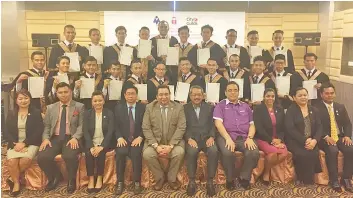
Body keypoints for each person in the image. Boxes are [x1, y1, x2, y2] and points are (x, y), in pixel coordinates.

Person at [37, 82, 85, 194]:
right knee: (42, 157)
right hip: (55, 137)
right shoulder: (51, 108)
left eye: (66, 92)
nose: (63, 95)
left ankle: (71, 180)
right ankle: (55, 176)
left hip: (71, 137)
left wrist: (76, 138)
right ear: (57, 94)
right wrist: (45, 138)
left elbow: (82, 125)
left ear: (70, 92)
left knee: (70, 156)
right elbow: (47, 126)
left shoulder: (79, 106)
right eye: (60, 92)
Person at [213, 81, 259, 190]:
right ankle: (230, 179)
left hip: (244, 137)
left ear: (239, 92)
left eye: (235, 90)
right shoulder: (220, 105)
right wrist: (228, 139)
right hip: (226, 136)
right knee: (228, 153)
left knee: (253, 151)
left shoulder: (246, 106)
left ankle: (244, 177)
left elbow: (252, 125)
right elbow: (218, 124)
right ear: (225, 92)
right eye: (230, 90)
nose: (232, 93)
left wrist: (250, 138)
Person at [142, 85, 186, 191]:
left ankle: (171, 178)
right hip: (155, 143)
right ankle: (160, 177)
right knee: (147, 154)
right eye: (161, 94)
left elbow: (181, 127)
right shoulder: (149, 107)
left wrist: (171, 146)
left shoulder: (178, 107)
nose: (163, 97)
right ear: (156, 96)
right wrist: (156, 146)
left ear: (170, 95)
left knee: (179, 152)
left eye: (166, 94)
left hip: (173, 142)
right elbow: (146, 128)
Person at [4, 89, 43, 196]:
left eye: (26, 98)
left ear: (30, 99)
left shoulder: (35, 112)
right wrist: (15, 144)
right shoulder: (11, 113)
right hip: (14, 143)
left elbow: (39, 131)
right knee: (12, 162)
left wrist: (25, 143)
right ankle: (16, 183)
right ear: (16, 101)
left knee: (24, 161)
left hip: (31, 143)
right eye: (20, 98)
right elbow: (6, 131)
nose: (23, 101)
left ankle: (12, 178)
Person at [315, 83, 353, 193]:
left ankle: (346, 179)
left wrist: (347, 135)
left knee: (350, 149)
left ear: (335, 94)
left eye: (332, 93)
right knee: (333, 150)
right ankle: (334, 180)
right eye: (326, 93)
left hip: (339, 136)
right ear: (321, 94)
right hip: (324, 137)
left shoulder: (340, 106)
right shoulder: (316, 108)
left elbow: (347, 124)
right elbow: (316, 126)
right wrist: (325, 136)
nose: (329, 95)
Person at [184, 85, 218, 196]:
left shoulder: (210, 107)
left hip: (207, 138)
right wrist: (188, 138)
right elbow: (182, 126)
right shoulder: (184, 108)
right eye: (194, 94)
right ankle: (192, 181)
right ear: (190, 96)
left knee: (213, 151)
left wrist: (212, 137)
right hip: (192, 139)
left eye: (199, 94)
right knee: (191, 152)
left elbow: (213, 125)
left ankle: (210, 181)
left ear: (203, 96)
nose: (197, 97)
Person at [285, 87, 322, 185]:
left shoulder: (314, 110)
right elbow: (290, 129)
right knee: (302, 153)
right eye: (300, 95)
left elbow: (319, 127)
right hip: (295, 140)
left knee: (313, 152)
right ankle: (301, 177)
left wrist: (314, 140)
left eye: (305, 95)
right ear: (294, 97)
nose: (303, 97)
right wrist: (305, 140)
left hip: (312, 140)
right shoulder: (291, 110)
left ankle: (308, 179)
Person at [115, 86, 146, 195]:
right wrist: (119, 137)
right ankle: (119, 182)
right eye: (128, 93)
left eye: (133, 93)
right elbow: (115, 125)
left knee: (136, 154)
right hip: (123, 139)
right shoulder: (119, 108)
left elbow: (146, 125)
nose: (131, 96)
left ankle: (137, 182)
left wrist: (141, 137)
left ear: (136, 95)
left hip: (137, 139)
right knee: (120, 153)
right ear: (124, 95)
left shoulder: (143, 108)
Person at [253, 88, 288, 185]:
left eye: (272, 96)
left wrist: (279, 139)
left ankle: (265, 169)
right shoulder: (258, 109)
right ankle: (266, 173)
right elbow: (259, 128)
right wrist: (272, 141)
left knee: (284, 154)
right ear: (263, 97)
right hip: (263, 138)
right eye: (268, 96)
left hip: (277, 139)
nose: (270, 98)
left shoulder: (279, 109)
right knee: (272, 154)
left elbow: (283, 127)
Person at [83, 91, 115, 193]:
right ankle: (91, 178)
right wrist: (91, 146)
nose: (98, 103)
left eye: (100, 100)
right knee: (88, 153)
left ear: (104, 101)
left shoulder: (109, 113)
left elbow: (110, 131)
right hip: (91, 142)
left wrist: (102, 146)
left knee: (101, 153)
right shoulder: (87, 114)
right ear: (92, 102)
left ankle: (100, 177)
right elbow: (85, 132)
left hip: (105, 142)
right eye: (95, 101)